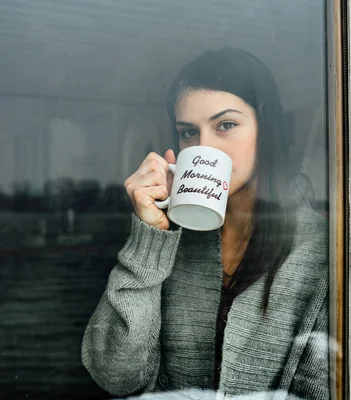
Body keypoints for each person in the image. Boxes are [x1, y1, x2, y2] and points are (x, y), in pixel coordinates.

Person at [82, 47, 330, 399]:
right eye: (188, 133)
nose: (205, 146)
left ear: (267, 128)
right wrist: (149, 237)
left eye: (226, 125)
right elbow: (116, 375)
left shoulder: (322, 249)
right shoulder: (170, 239)